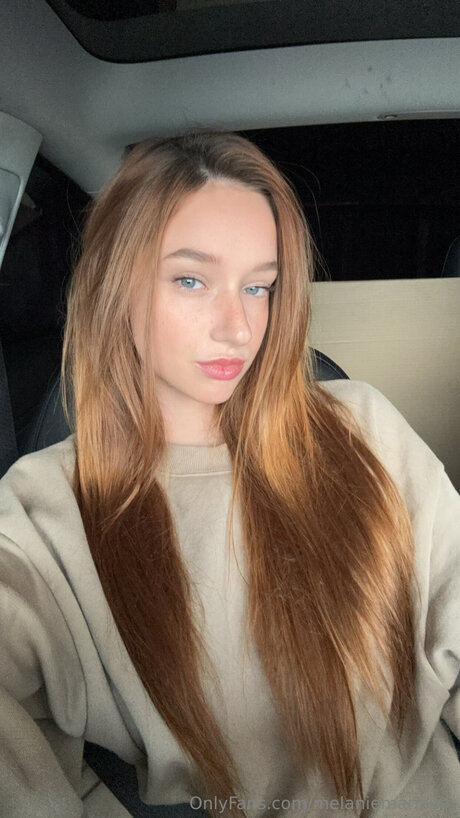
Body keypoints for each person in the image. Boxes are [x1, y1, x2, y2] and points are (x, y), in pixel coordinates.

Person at [0, 130, 458, 818]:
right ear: (116, 285)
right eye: (191, 279)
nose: (239, 328)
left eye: (258, 286)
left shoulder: (364, 426)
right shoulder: (44, 511)